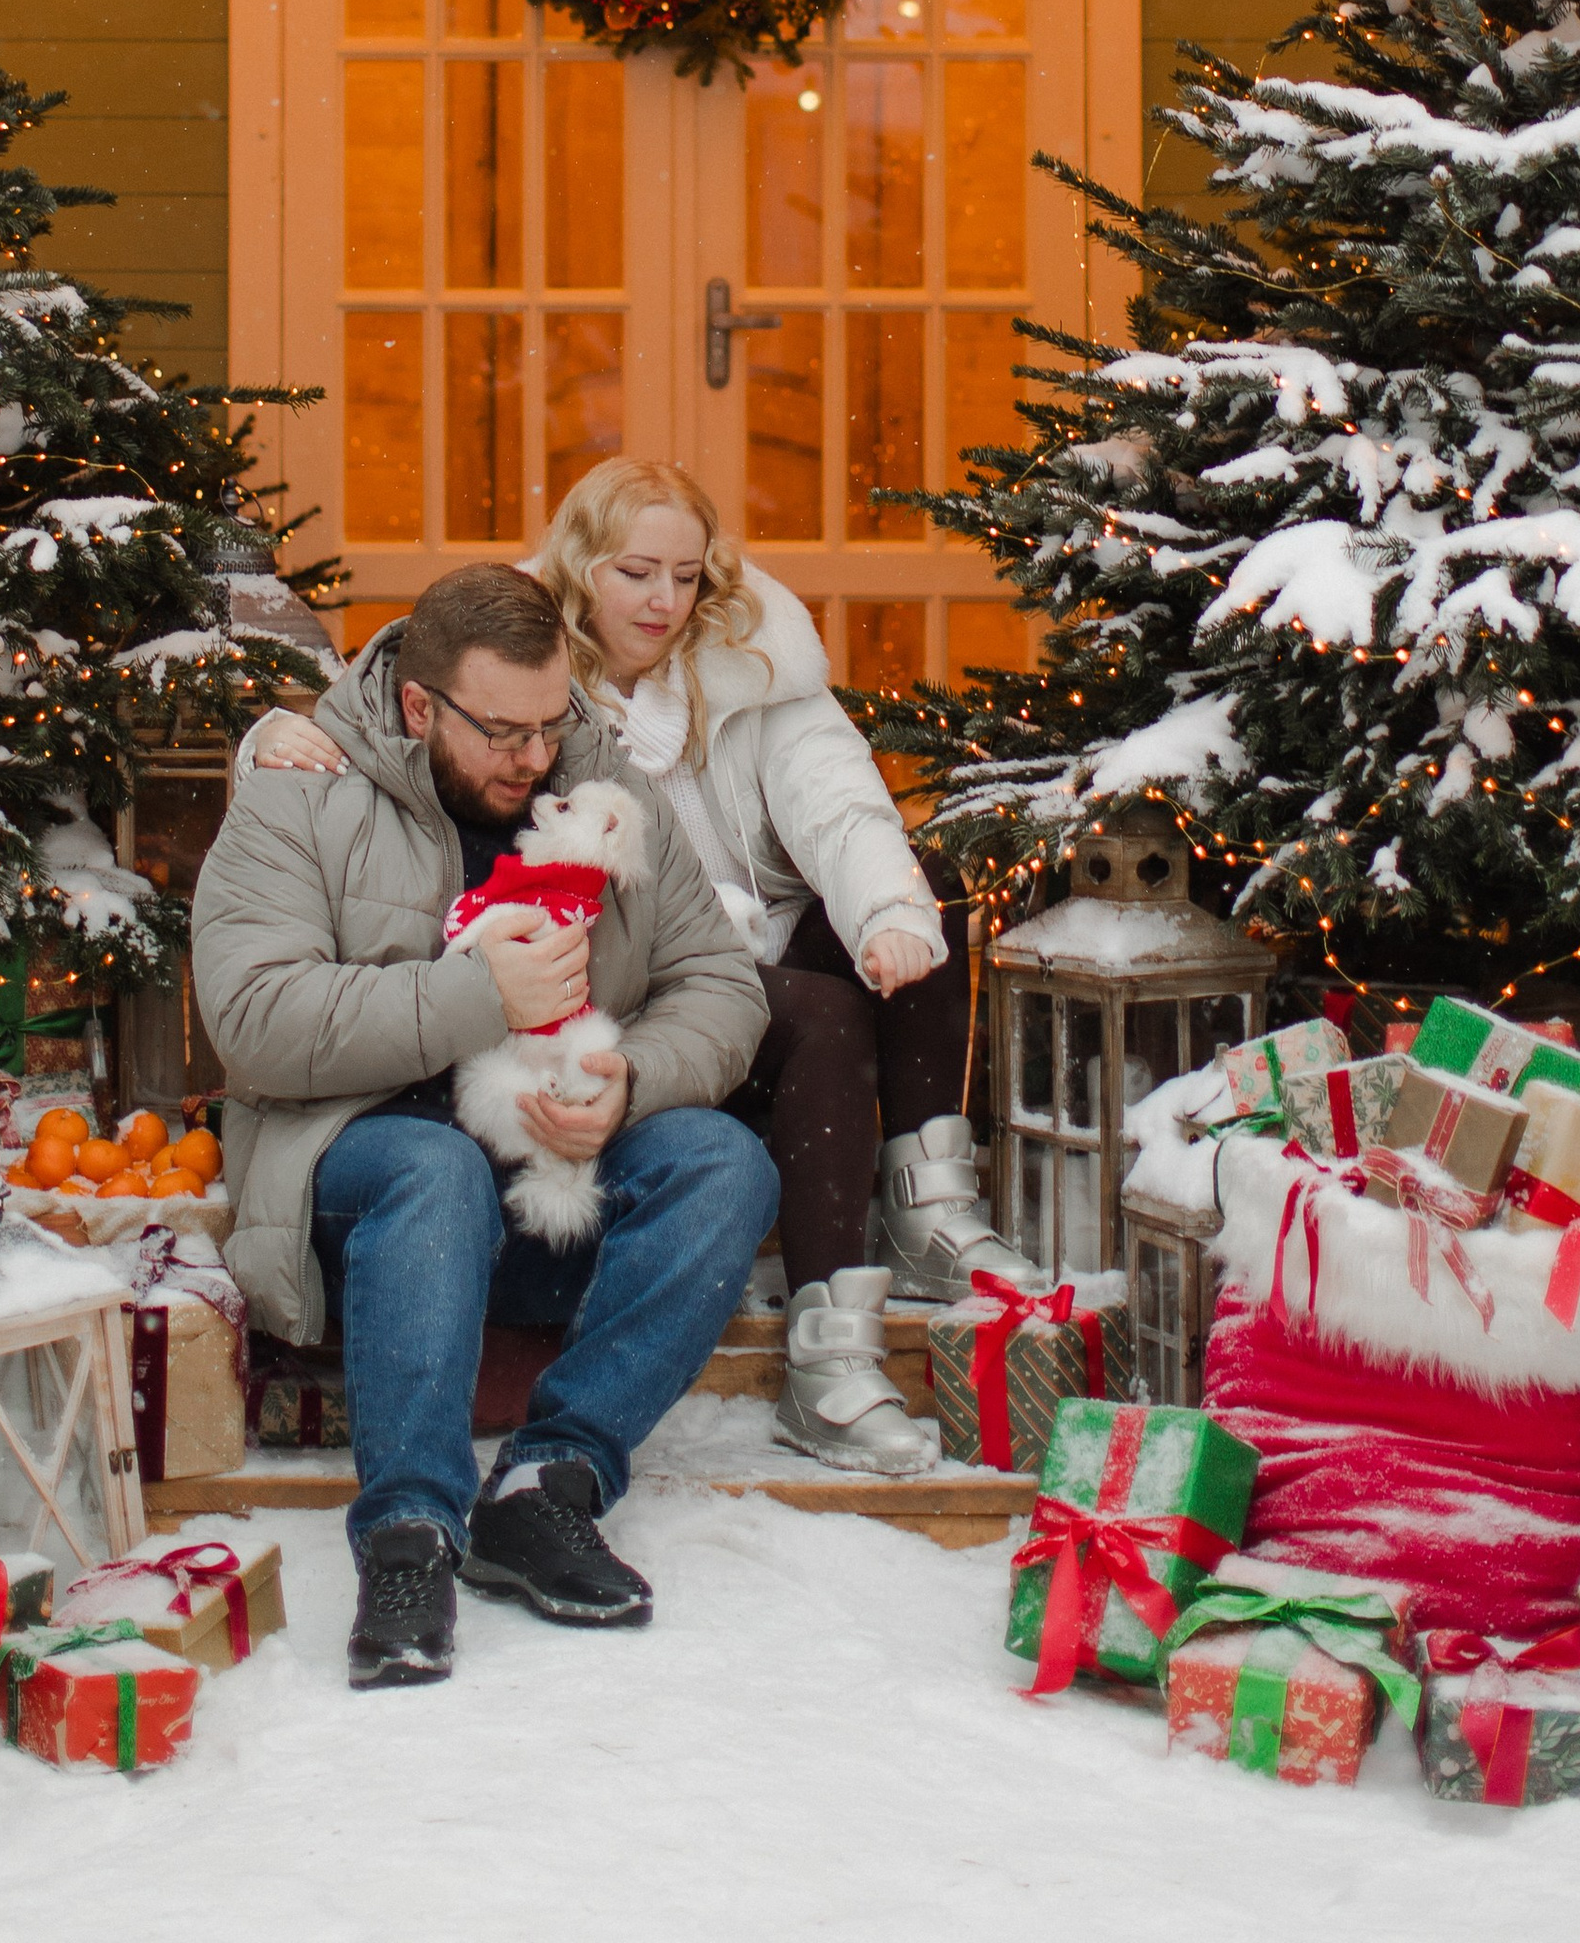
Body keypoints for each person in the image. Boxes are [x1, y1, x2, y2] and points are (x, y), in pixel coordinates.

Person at [245, 460, 1040, 1480]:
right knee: (820, 1018)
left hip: (722, 962)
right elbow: (389, 719)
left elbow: (840, 809)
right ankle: (825, 1347)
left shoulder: (752, 670)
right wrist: (269, 738)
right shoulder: (531, 680)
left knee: (921, 889)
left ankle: (930, 1202)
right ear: (580, 567)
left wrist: (889, 917)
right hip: (610, 978)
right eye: (636, 573)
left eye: (687, 576)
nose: (665, 600)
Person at [194, 559, 774, 1693]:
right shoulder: (298, 795)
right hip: (369, 1173)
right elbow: (253, 1018)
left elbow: (719, 984)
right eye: (504, 733)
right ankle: (409, 1537)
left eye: (552, 724)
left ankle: (549, 1481)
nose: (535, 758)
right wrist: (477, 997)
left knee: (724, 1163)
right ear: (420, 706)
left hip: (554, 1165)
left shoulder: (606, 789)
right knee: (433, 1166)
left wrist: (629, 1078)